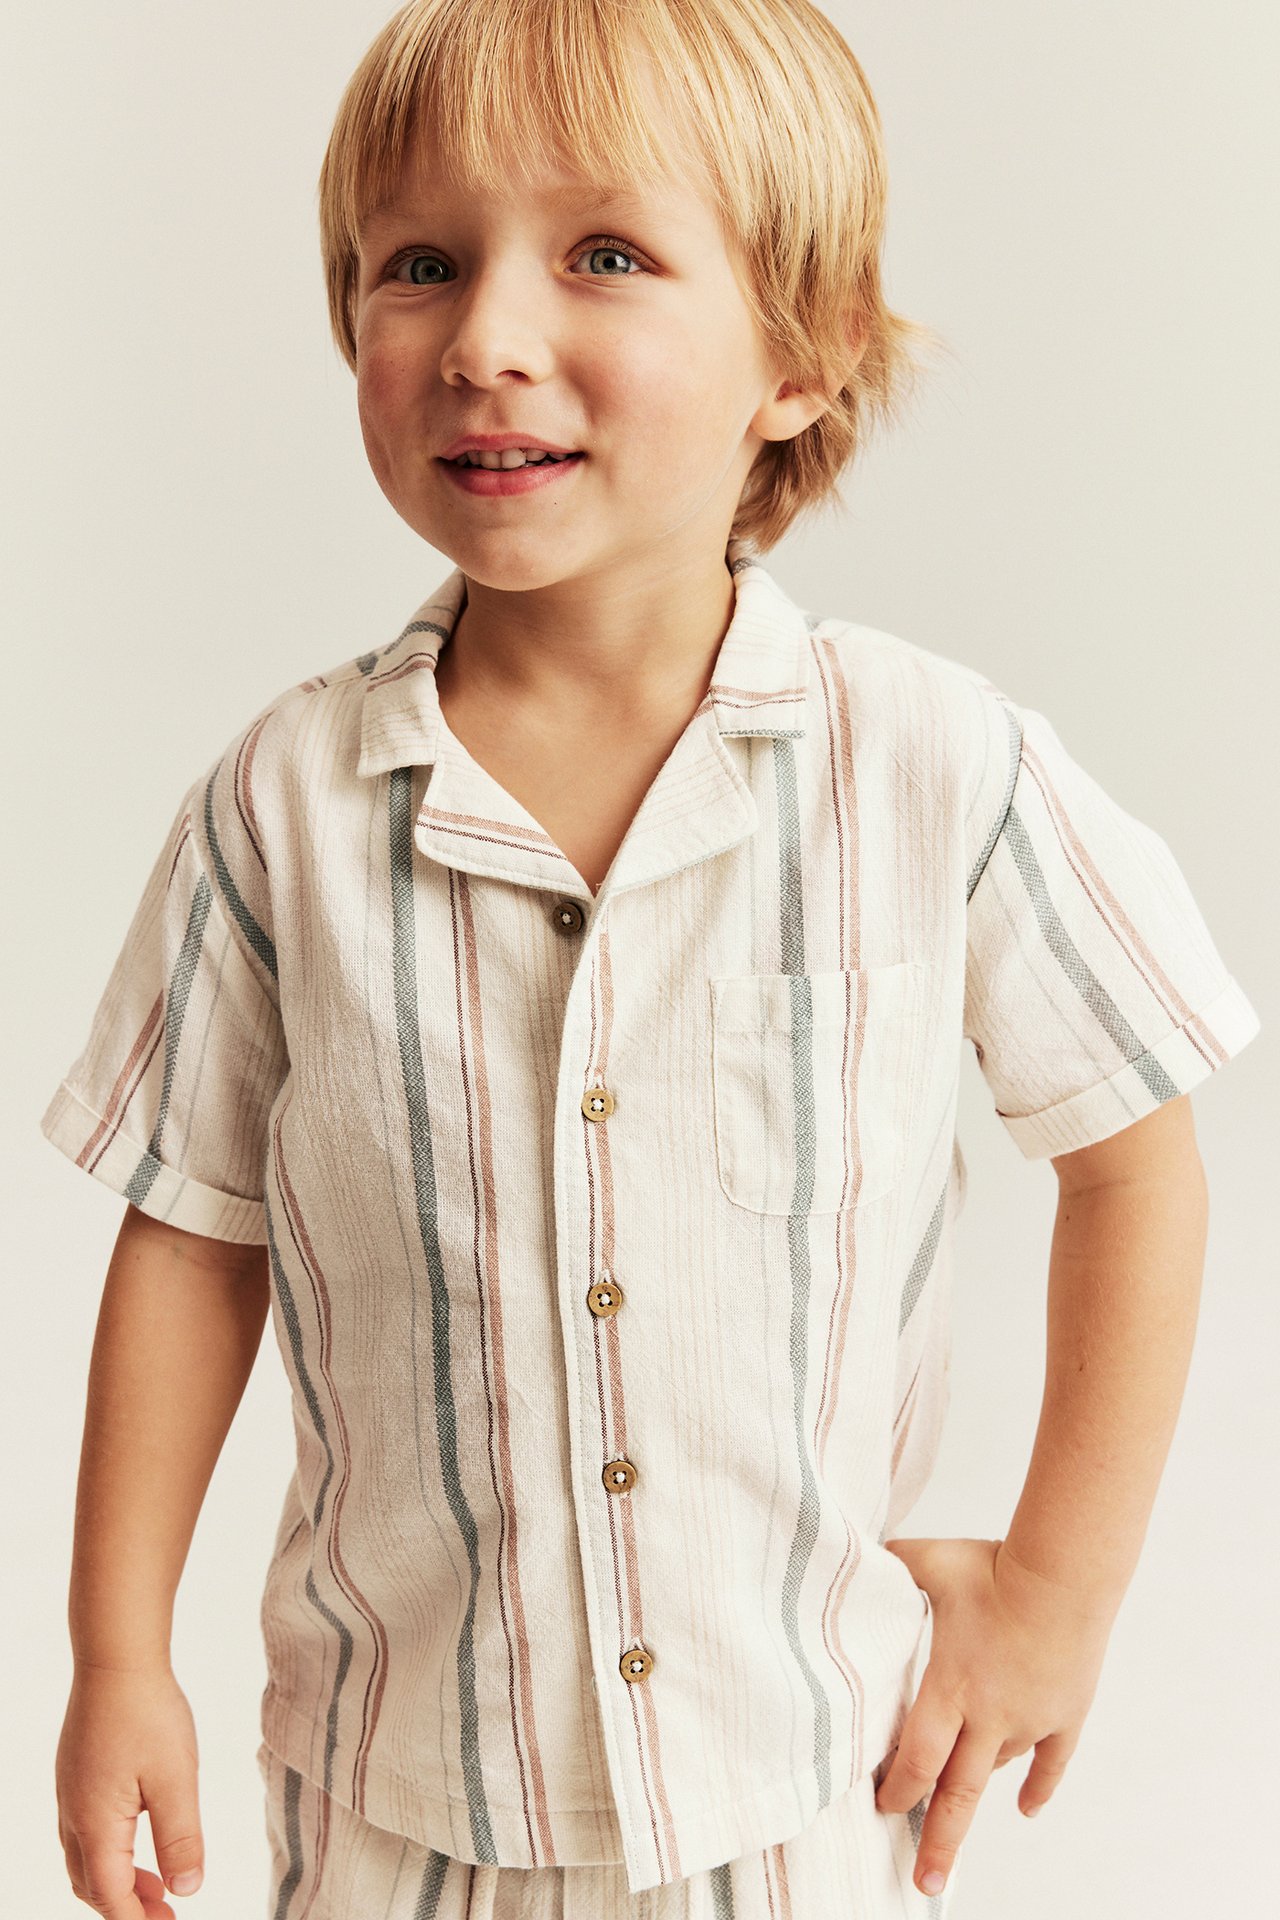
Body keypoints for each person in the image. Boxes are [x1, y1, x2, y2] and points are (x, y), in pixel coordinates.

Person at [43, 1, 1261, 1916]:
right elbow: (194, 1240)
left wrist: (1057, 1591)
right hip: (392, 1801)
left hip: (791, 1798)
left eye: (605, 255)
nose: (486, 337)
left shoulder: (933, 765)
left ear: (803, 353)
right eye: (418, 264)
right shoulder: (279, 806)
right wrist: (116, 1652)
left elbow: (1134, 1153)